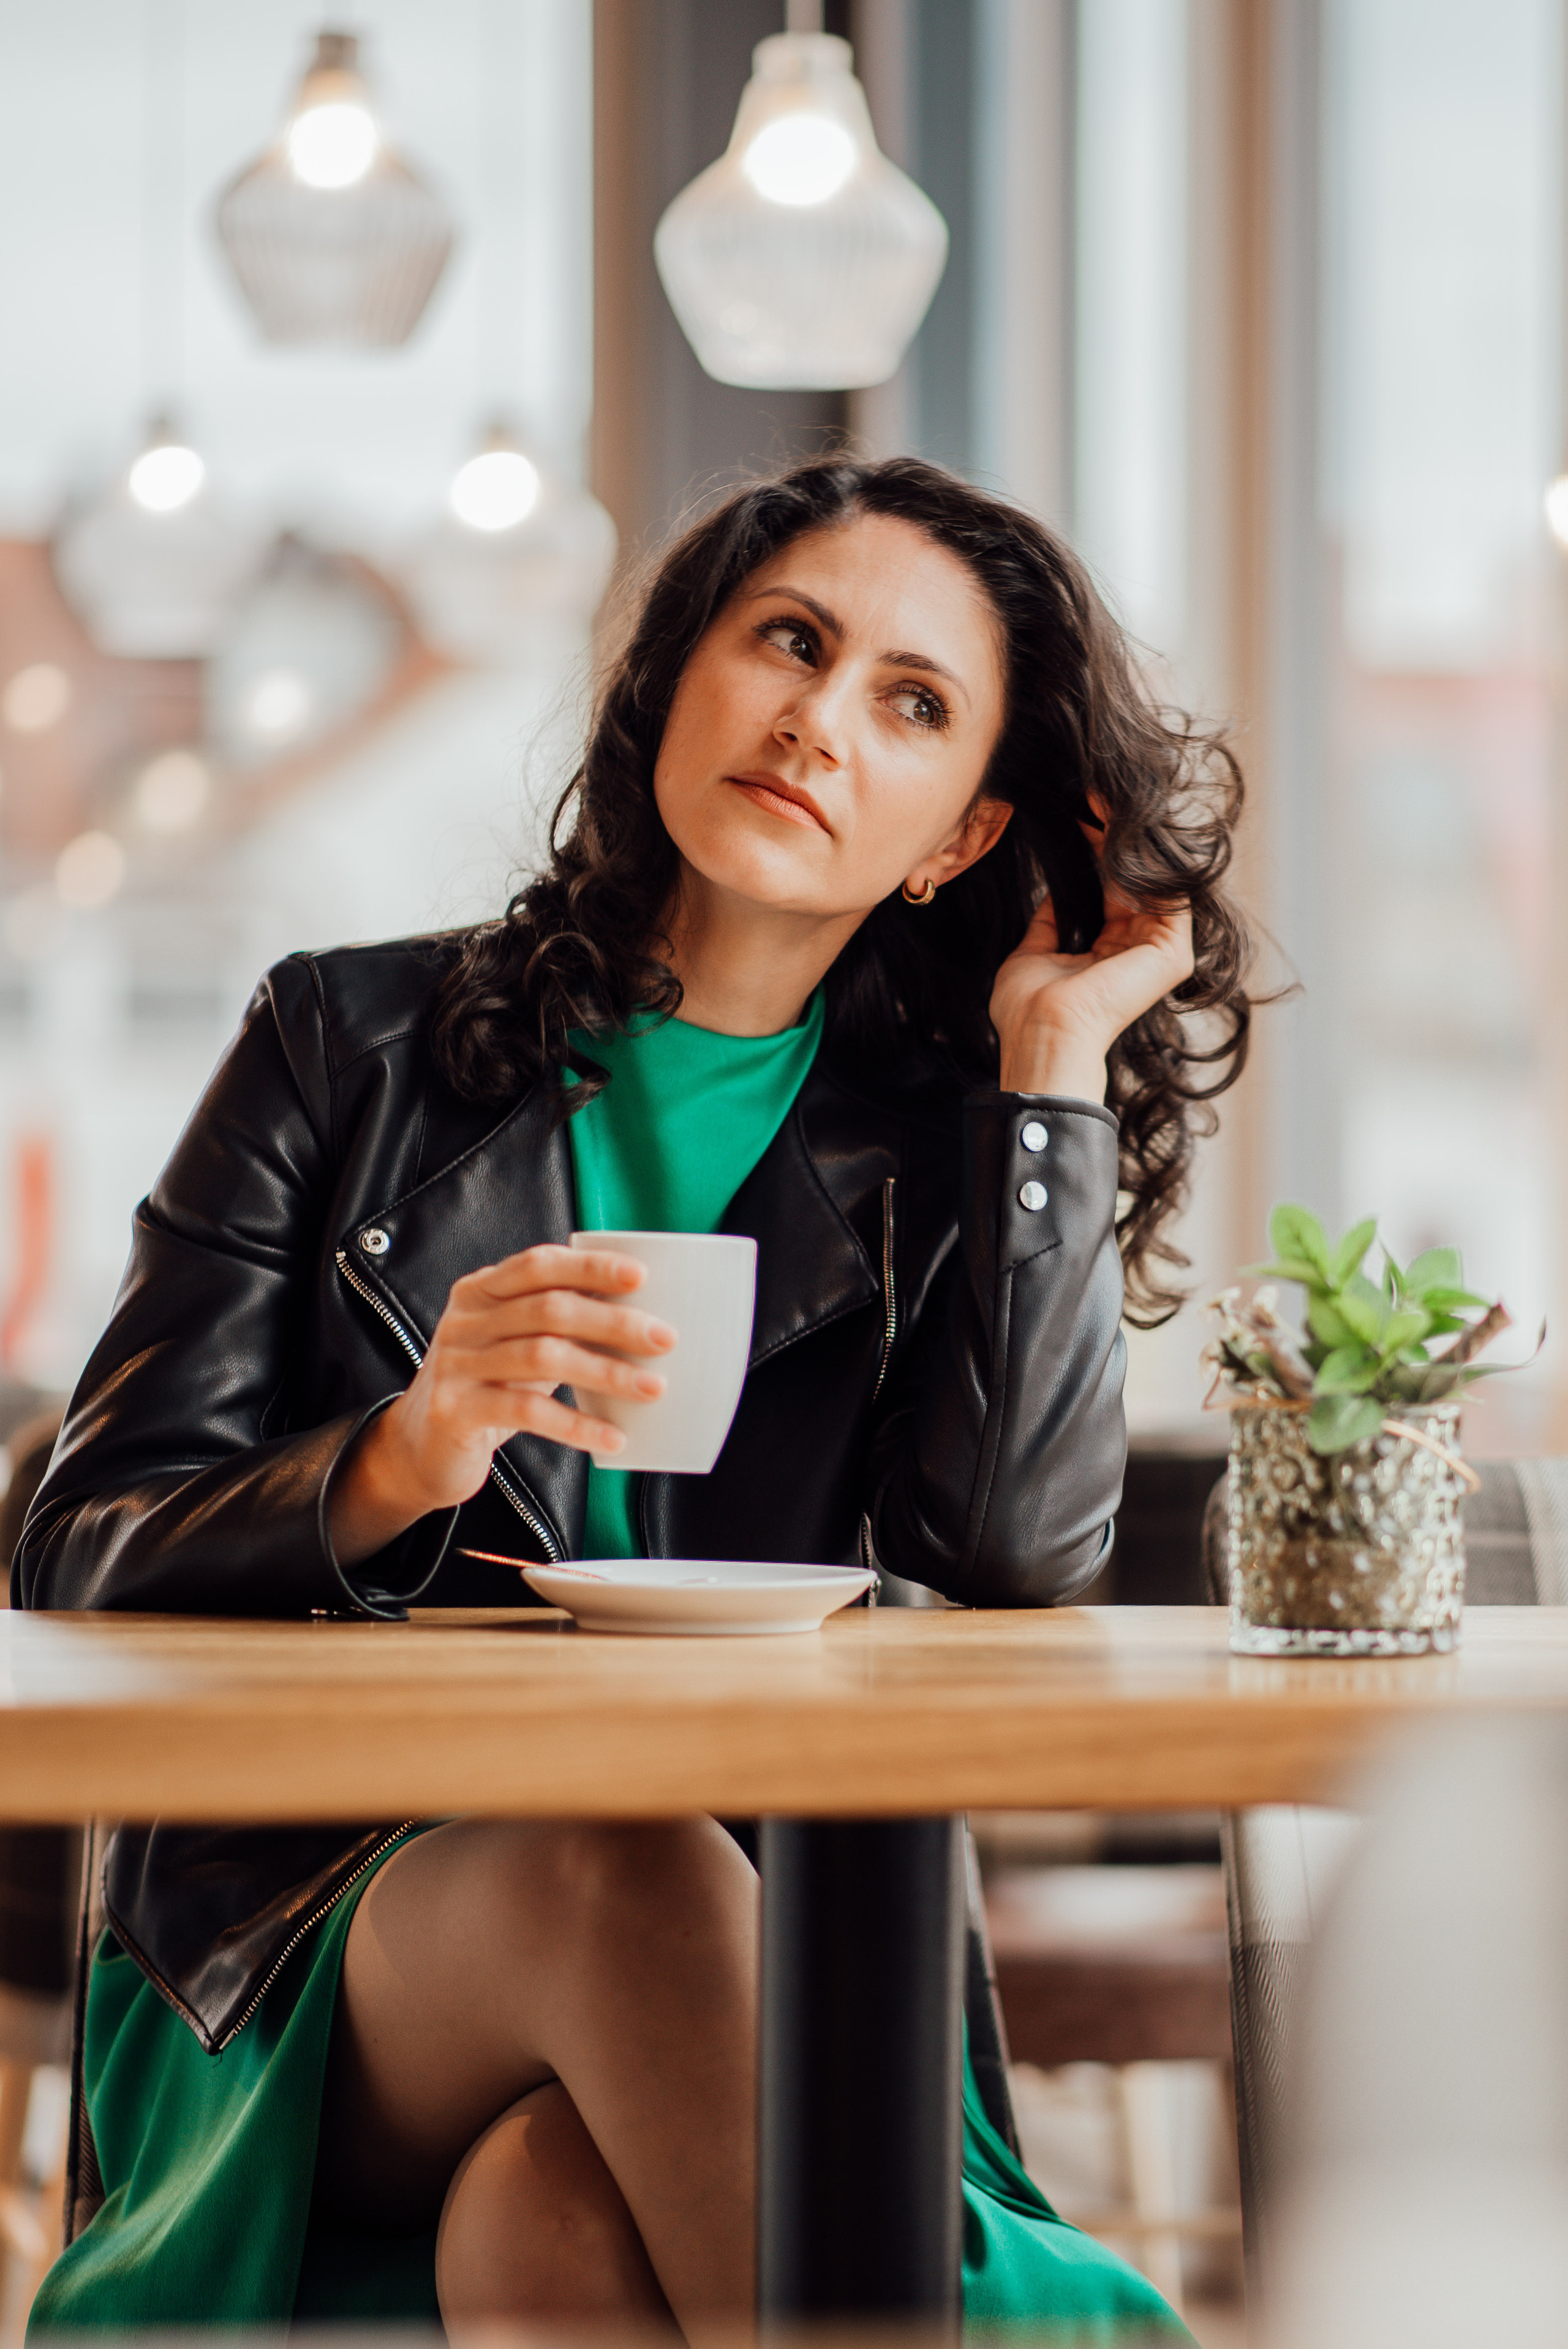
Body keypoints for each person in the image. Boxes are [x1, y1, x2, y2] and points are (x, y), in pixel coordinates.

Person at [17, 455, 1251, 2336]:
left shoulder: (946, 1152)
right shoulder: (340, 1045)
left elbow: (1009, 1556)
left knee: (550, 2228)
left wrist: (1049, 1074)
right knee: (619, 1856)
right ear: (677, 680)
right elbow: (78, 1548)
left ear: (955, 832)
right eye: (790, 642)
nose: (822, 719)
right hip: (300, 1955)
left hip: (764, 1952)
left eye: (909, 704)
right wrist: (402, 1455)